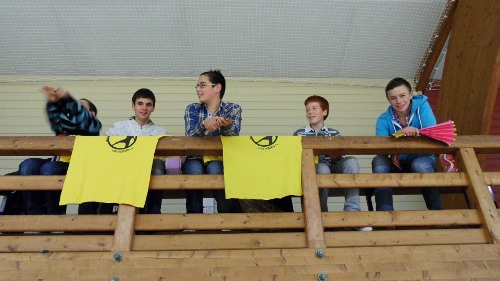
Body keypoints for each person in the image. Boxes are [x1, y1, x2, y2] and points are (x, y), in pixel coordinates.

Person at [19, 86, 102, 215]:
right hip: (56, 162)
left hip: (78, 167)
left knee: (48, 169)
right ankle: (35, 216)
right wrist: (52, 101)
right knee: (27, 165)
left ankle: (55, 217)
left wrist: (67, 98)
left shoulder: (92, 127)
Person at [294, 95, 372, 231]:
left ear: (324, 112)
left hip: (334, 167)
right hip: (313, 170)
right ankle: (322, 216)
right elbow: (296, 157)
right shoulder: (299, 133)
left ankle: (353, 214)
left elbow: (339, 158)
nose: (310, 112)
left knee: (352, 161)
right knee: (322, 168)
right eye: (307, 110)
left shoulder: (334, 133)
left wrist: (335, 155)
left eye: (314, 108)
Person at [371, 77, 442, 211]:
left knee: (420, 164)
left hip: (422, 158)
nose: (398, 101)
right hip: (396, 163)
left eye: (402, 96)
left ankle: (436, 212)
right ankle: (384, 212)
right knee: (378, 161)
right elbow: (380, 147)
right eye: (393, 98)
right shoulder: (383, 119)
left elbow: (432, 133)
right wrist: (400, 134)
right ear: (388, 100)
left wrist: (401, 145)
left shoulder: (423, 107)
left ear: (411, 94)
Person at [100, 88, 167, 214]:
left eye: (148, 104)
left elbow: (166, 158)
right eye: (140, 103)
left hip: (148, 175)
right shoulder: (118, 127)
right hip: (122, 175)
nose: (144, 108)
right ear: (133, 106)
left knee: (158, 168)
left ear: (153, 108)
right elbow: (105, 147)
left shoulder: (161, 132)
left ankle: (153, 214)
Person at [183, 69, 242, 213]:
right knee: (193, 171)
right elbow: (191, 134)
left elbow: (233, 133)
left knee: (216, 169)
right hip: (195, 157)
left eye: (202, 85)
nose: (198, 89)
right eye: (197, 86)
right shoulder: (192, 108)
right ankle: (193, 224)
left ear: (217, 87)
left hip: (220, 158)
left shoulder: (233, 108)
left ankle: (227, 222)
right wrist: (204, 124)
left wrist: (225, 125)